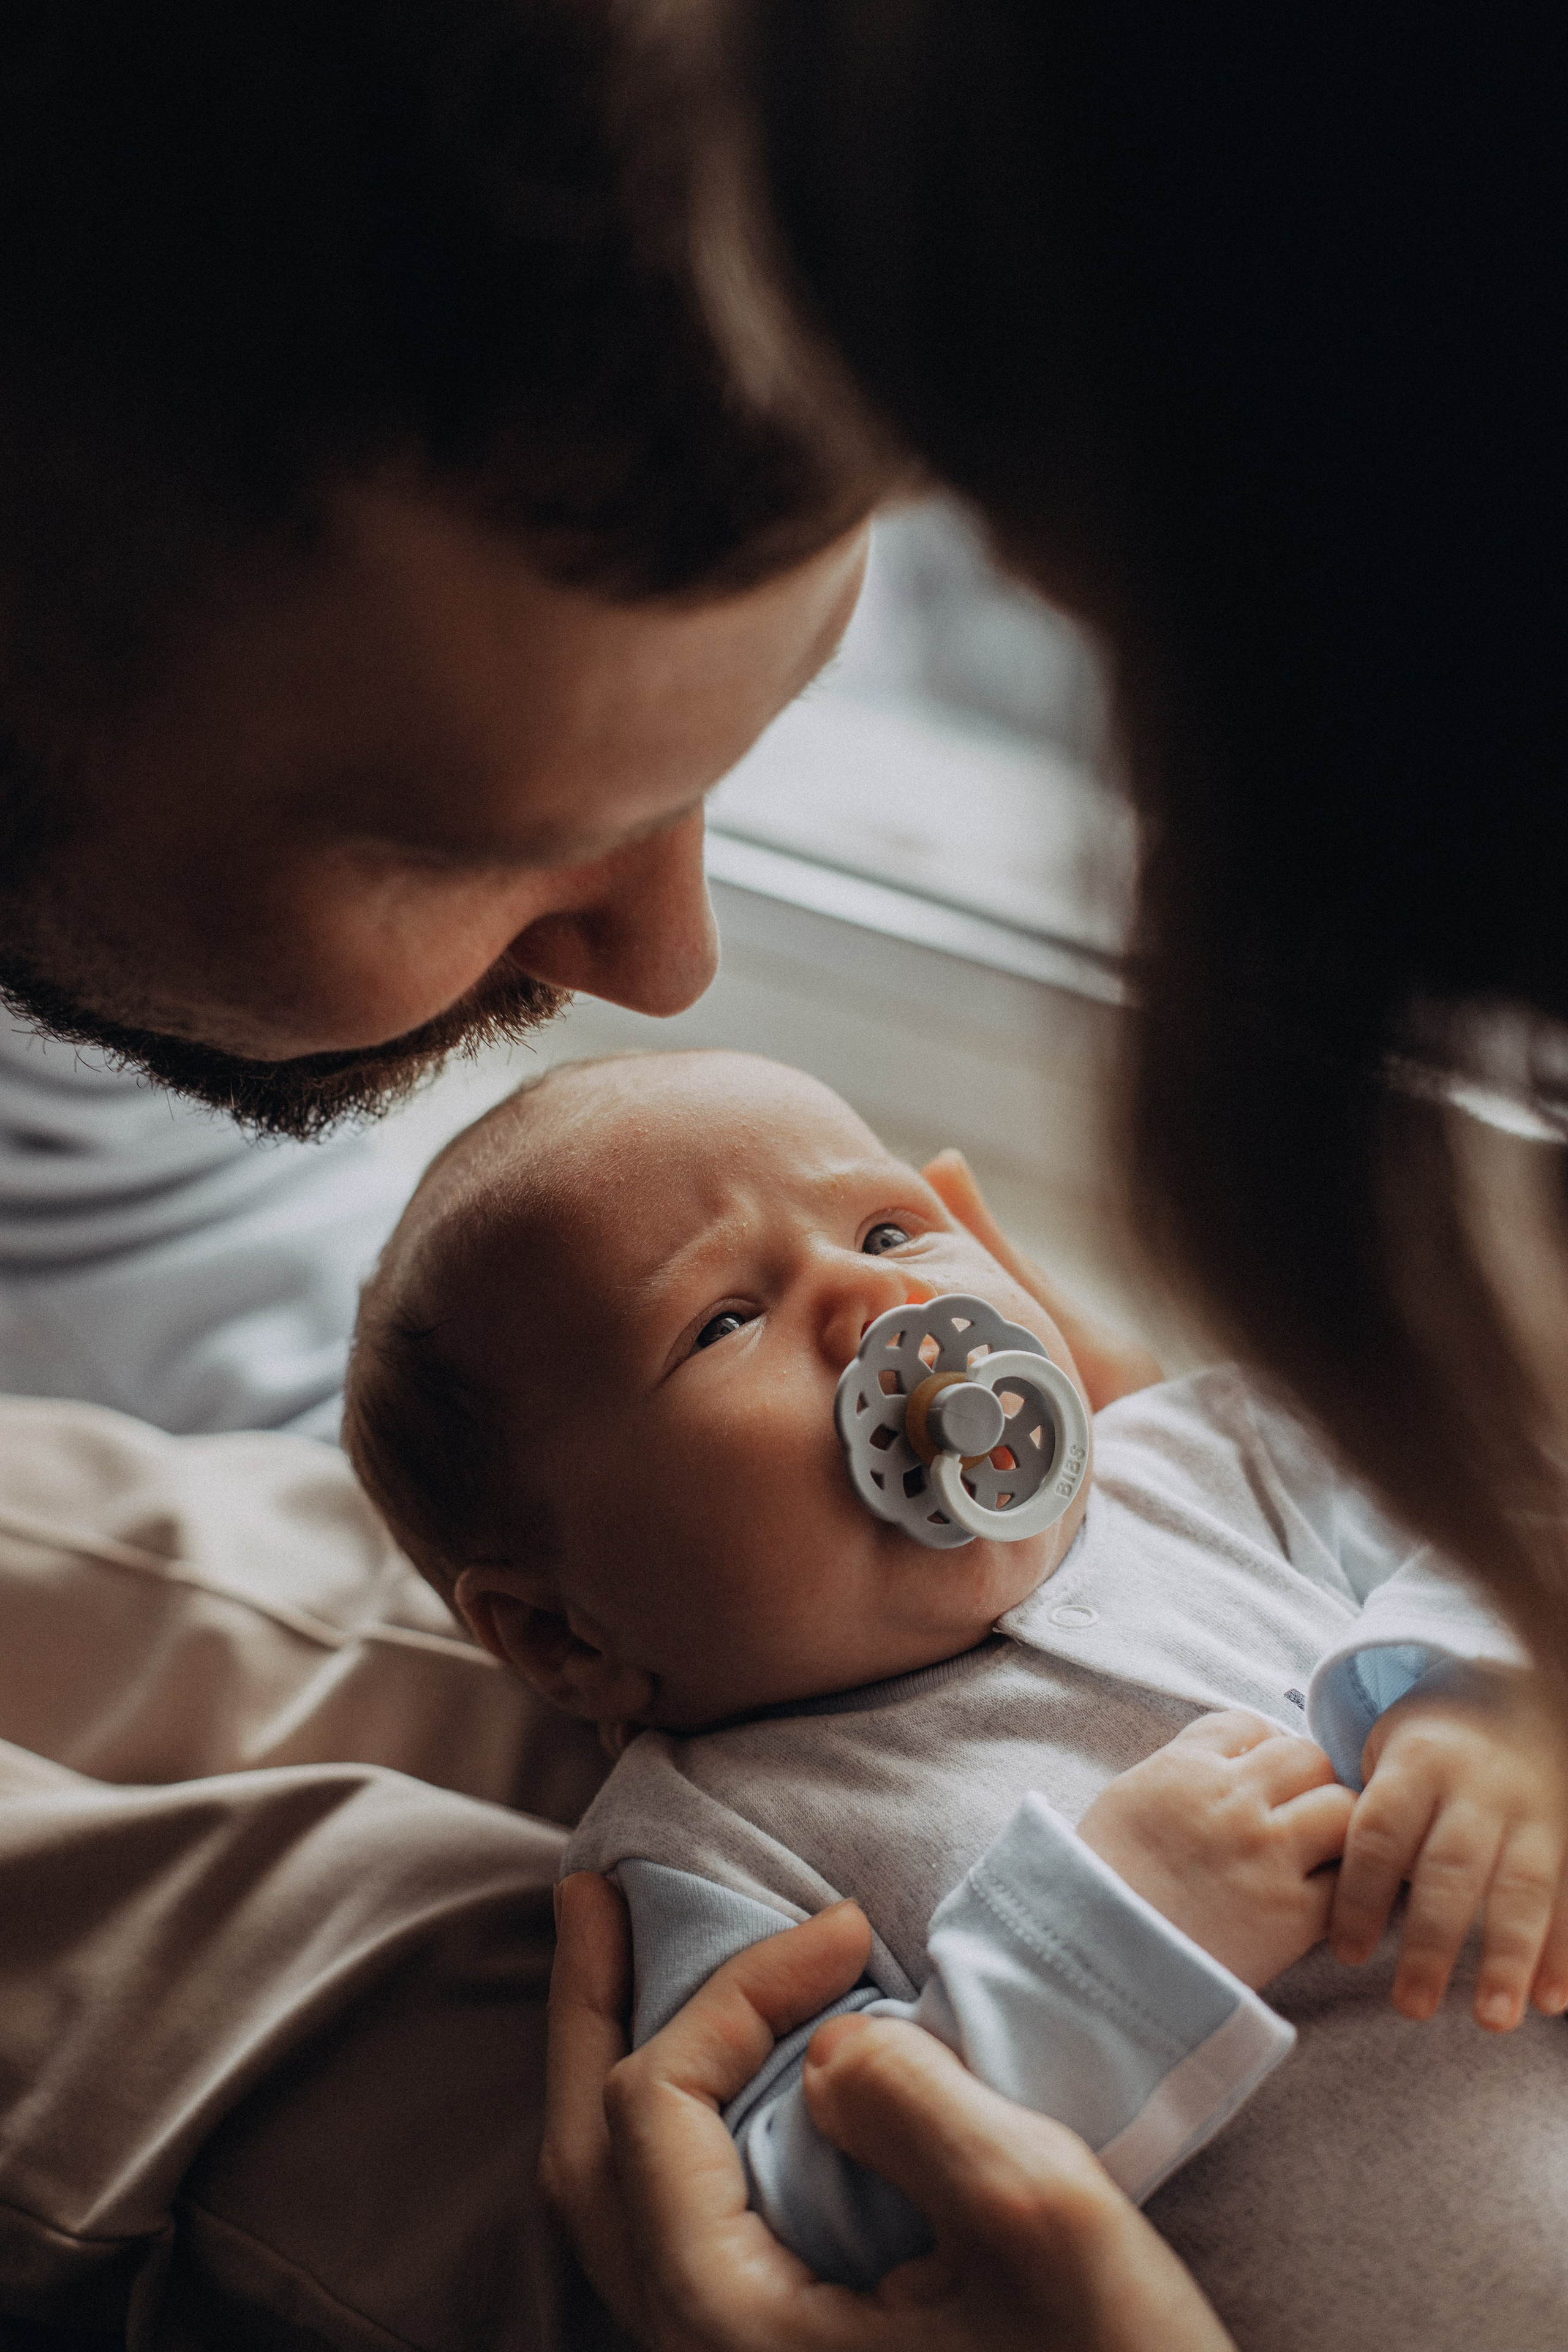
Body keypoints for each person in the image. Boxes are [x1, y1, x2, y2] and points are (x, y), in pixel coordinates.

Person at [344, 1050, 1568, 2344]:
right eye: (722, 1322)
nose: (875, 1296)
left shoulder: (1218, 1454)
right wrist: (1109, 1941)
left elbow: (1510, 1515)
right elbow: (791, 2216)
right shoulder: (709, 1842)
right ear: (564, 1634)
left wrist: (1476, 1700)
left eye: (887, 1229)